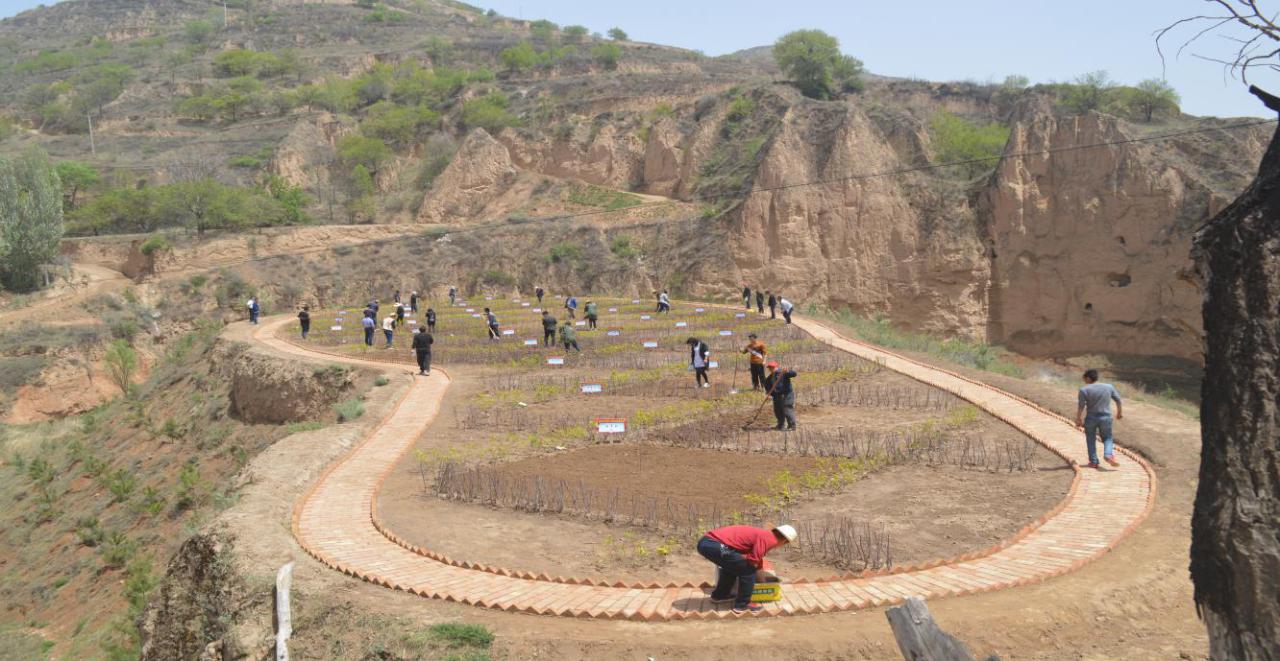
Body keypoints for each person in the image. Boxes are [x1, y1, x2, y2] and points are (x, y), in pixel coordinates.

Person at [697, 524, 797, 614]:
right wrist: (761, 581)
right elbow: (753, 561)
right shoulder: (770, 539)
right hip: (716, 545)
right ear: (784, 541)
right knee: (748, 570)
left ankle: (719, 596)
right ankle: (742, 605)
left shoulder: (765, 535)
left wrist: (762, 579)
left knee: (733, 567)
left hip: (707, 543)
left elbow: (757, 559)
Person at [1075, 369, 1123, 468]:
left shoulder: (1084, 390)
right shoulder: (1109, 387)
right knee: (1107, 438)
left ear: (1088, 378)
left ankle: (1094, 462)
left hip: (1091, 418)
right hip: (1106, 418)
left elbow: (1081, 406)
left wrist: (1078, 418)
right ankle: (1108, 455)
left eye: (1084, 379)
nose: (1084, 381)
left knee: (1090, 439)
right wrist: (1119, 413)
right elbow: (1118, 400)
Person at [764, 362, 797, 430]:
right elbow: (767, 387)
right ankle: (780, 425)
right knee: (778, 411)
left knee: (787, 409)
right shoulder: (769, 378)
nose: (771, 369)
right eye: (769, 368)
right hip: (776, 396)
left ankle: (792, 426)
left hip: (786, 394)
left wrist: (788, 371)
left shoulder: (783, 373)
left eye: (772, 367)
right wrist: (769, 394)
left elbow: (794, 374)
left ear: (777, 367)